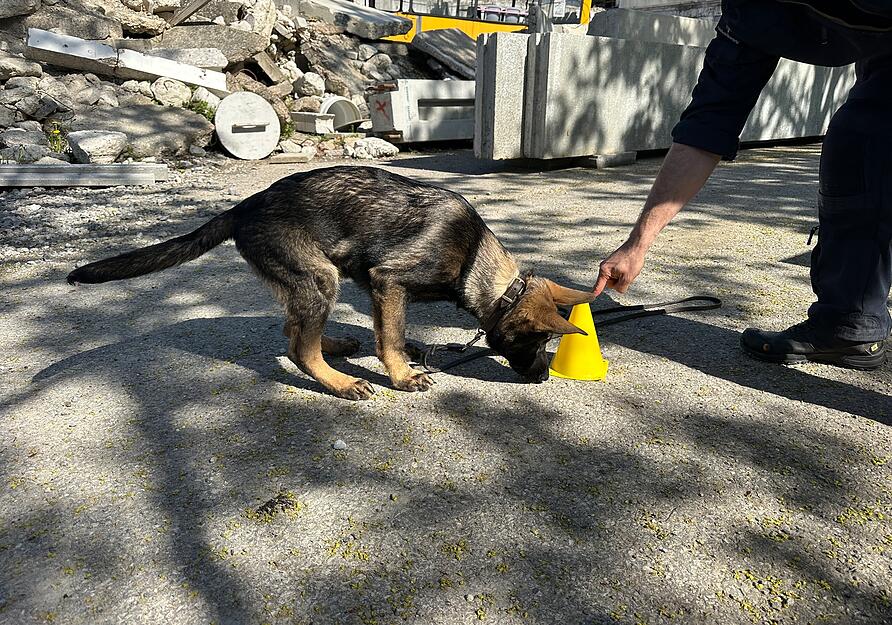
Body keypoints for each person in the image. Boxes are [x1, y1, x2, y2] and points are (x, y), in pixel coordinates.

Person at [593, 0, 892, 370]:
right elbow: (709, 123)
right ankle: (848, 325)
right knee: (859, 141)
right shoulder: (748, 13)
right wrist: (638, 243)